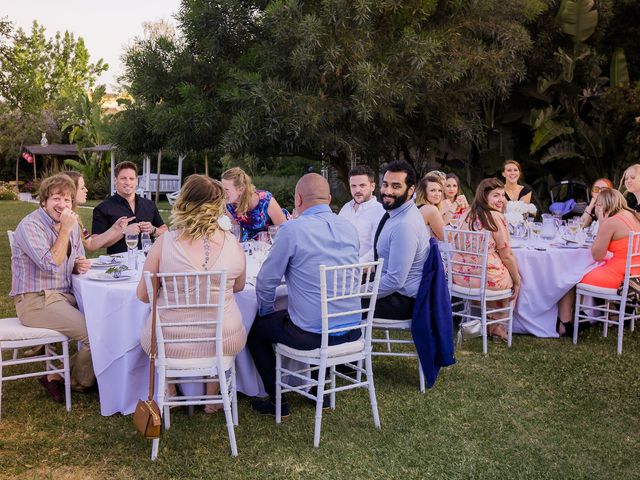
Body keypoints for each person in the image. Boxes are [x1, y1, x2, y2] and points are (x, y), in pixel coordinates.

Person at [248, 173, 361, 416]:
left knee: (257, 331)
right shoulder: (349, 228)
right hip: (353, 330)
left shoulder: (292, 230)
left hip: (313, 336)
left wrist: (268, 313)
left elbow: (266, 283)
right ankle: (319, 392)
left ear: (298, 200)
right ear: (329, 198)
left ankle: (276, 400)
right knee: (309, 314)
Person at [137, 175, 247, 413]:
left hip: (167, 342)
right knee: (217, 323)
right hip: (223, 340)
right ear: (218, 206)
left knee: (158, 323)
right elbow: (239, 287)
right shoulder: (232, 242)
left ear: (184, 202)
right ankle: (211, 398)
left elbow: (144, 295)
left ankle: (171, 392)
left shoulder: (164, 243)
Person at [10, 173, 95, 401]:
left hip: (63, 295)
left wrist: (78, 266)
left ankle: (80, 373)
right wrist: (66, 230)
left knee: (104, 321)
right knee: (93, 334)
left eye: (68, 200)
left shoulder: (72, 226)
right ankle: (71, 379)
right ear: (44, 201)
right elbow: (49, 264)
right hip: (35, 300)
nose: (63, 204)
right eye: (57, 198)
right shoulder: (31, 225)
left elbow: (75, 260)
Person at [557, 189, 640, 336]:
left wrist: (602, 223)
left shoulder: (611, 222)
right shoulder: (632, 215)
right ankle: (592, 313)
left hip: (619, 277)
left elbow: (597, 255)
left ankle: (564, 323)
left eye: (597, 204)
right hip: (634, 273)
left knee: (571, 276)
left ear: (602, 206)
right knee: (584, 270)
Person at [452, 178, 521, 341]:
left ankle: (489, 324)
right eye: (496, 195)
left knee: (496, 271)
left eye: (503, 196)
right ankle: (498, 326)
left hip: (460, 277)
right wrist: (517, 280)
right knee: (513, 277)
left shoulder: (467, 213)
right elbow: (507, 255)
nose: (501, 200)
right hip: (483, 279)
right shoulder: (495, 217)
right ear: (484, 196)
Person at [371, 160, 430, 320]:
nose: (387, 191)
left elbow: (394, 281)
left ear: (411, 190)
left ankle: (340, 343)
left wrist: (357, 292)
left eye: (396, 186)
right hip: (389, 290)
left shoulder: (404, 225)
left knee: (337, 303)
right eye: (385, 184)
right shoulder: (397, 213)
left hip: (402, 301)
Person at [92, 161, 167, 254]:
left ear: (136, 181)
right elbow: (95, 242)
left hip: (148, 260)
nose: (128, 182)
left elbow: (165, 231)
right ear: (115, 180)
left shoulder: (149, 204)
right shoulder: (103, 208)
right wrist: (123, 232)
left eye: (131, 179)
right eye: (123, 178)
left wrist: (153, 230)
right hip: (118, 263)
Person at [63, 171, 133, 251]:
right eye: (82, 188)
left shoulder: (75, 217)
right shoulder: (62, 218)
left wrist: (114, 228)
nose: (86, 190)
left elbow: (90, 244)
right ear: (71, 191)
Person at [221, 167, 287, 241]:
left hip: (274, 241)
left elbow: (285, 231)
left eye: (226, 189)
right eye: (222, 188)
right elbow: (236, 234)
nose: (222, 193)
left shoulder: (265, 200)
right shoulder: (230, 206)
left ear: (241, 189)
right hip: (251, 244)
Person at [338, 164, 385, 262]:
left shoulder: (379, 212)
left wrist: (352, 267)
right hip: (339, 268)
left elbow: (376, 250)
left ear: (372, 186)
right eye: (353, 186)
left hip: (364, 273)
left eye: (362, 185)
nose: (357, 190)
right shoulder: (346, 208)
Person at [415, 174, 449, 240]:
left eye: (440, 190)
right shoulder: (431, 210)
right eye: (433, 190)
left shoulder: (417, 206)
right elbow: (447, 238)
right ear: (424, 192)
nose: (437, 194)